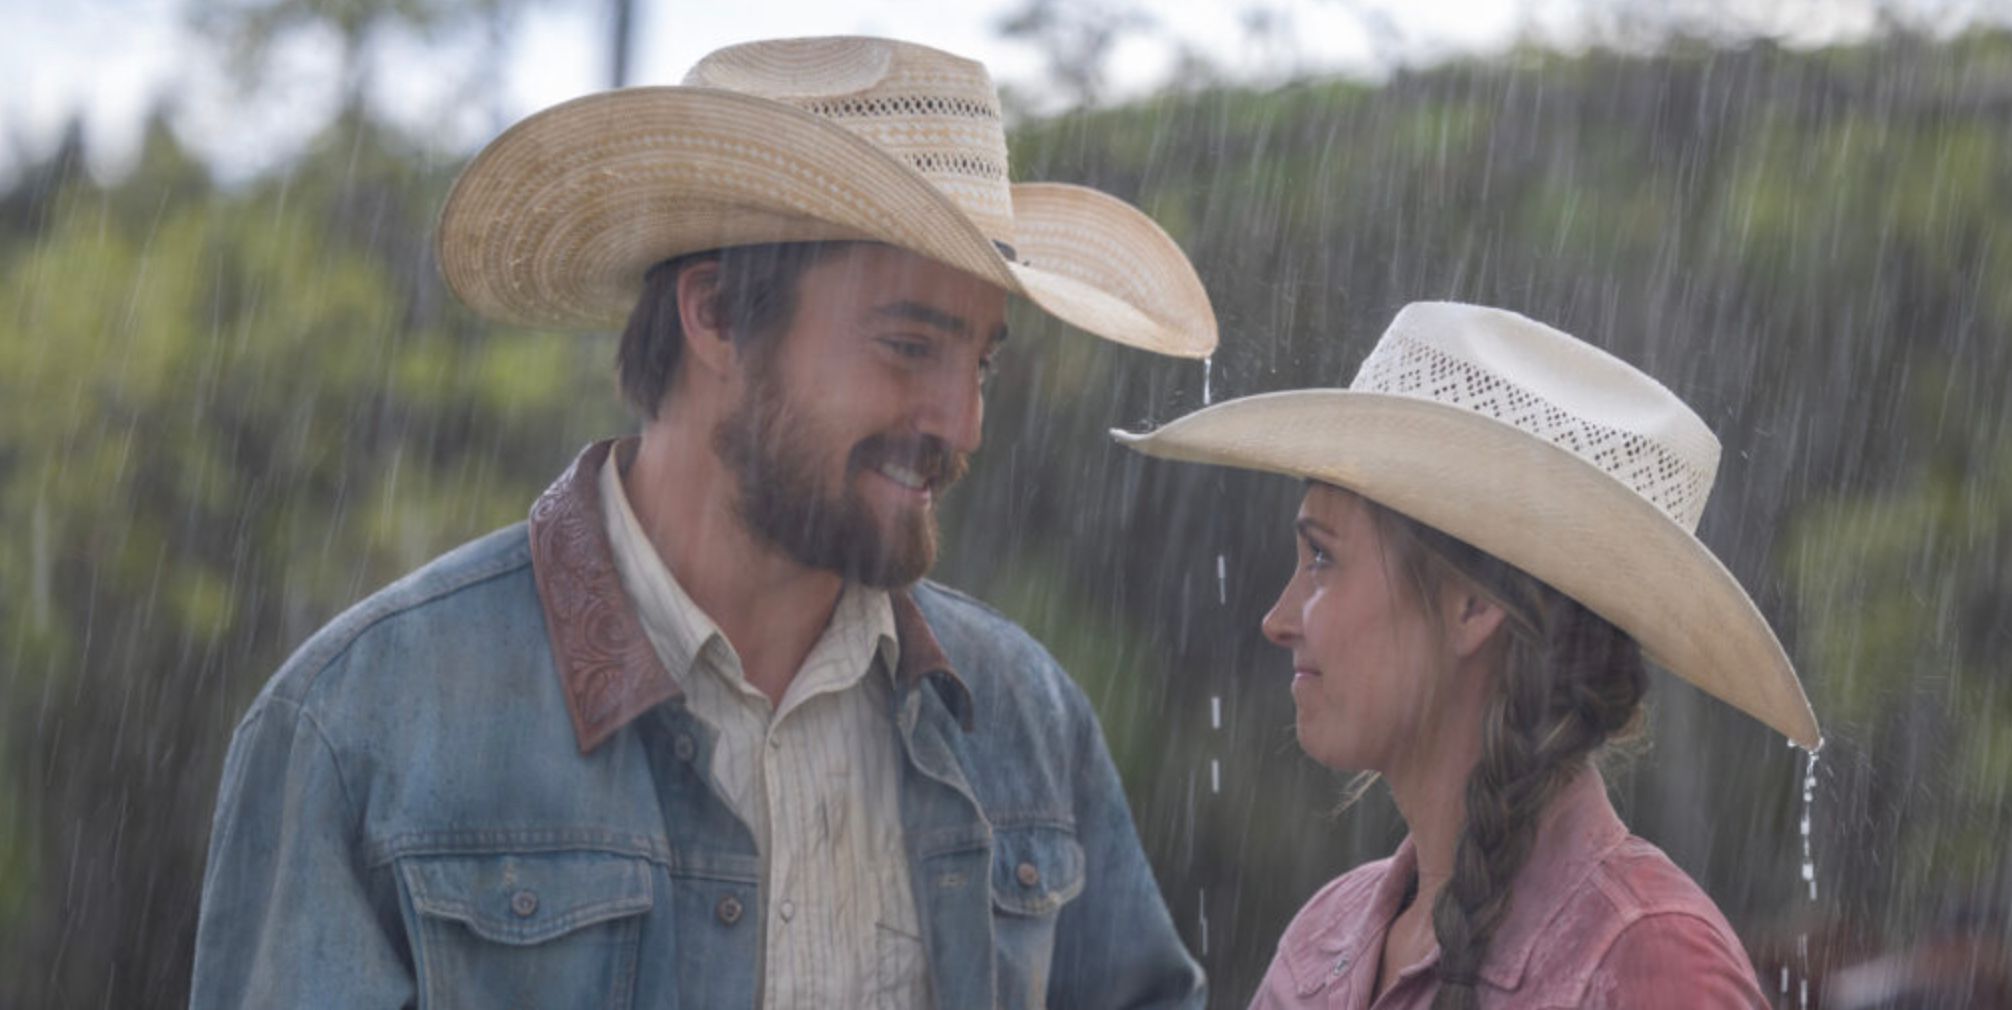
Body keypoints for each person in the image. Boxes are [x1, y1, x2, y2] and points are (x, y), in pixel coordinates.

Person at [190, 36, 1216, 1009]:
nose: (963, 423)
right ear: (716, 315)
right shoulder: (365, 722)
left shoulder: (1024, 717)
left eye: (980, 363)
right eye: (909, 345)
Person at [1116, 302, 1821, 1009]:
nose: (1278, 620)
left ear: (1473, 606)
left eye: (1323, 558)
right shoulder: (1320, 945)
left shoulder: (1649, 964)